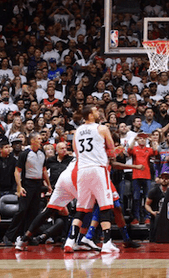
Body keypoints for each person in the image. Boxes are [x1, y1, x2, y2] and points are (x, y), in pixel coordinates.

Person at [65, 105, 119, 254]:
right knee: (105, 206)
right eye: (95, 111)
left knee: (81, 208)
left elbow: (76, 152)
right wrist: (112, 154)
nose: (98, 112)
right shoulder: (102, 128)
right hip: (98, 169)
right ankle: (107, 243)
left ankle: (70, 240)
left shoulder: (77, 131)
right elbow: (111, 149)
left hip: (82, 170)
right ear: (89, 115)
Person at [4, 133, 50, 245]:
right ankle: (8, 236)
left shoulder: (42, 153)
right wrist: (19, 187)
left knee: (33, 212)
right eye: (38, 138)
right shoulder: (25, 154)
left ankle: (27, 236)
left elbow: (44, 170)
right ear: (32, 141)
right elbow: (17, 171)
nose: (41, 140)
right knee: (22, 210)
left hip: (38, 184)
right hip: (27, 183)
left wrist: (48, 185)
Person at [145, 172, 169, 242]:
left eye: (166, 178)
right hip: (156, 216)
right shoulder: (153, 191)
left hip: (168, 217)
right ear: (159, 179)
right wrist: (152, 212)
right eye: (162, 178)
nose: (164, 180)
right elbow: (147, 204)